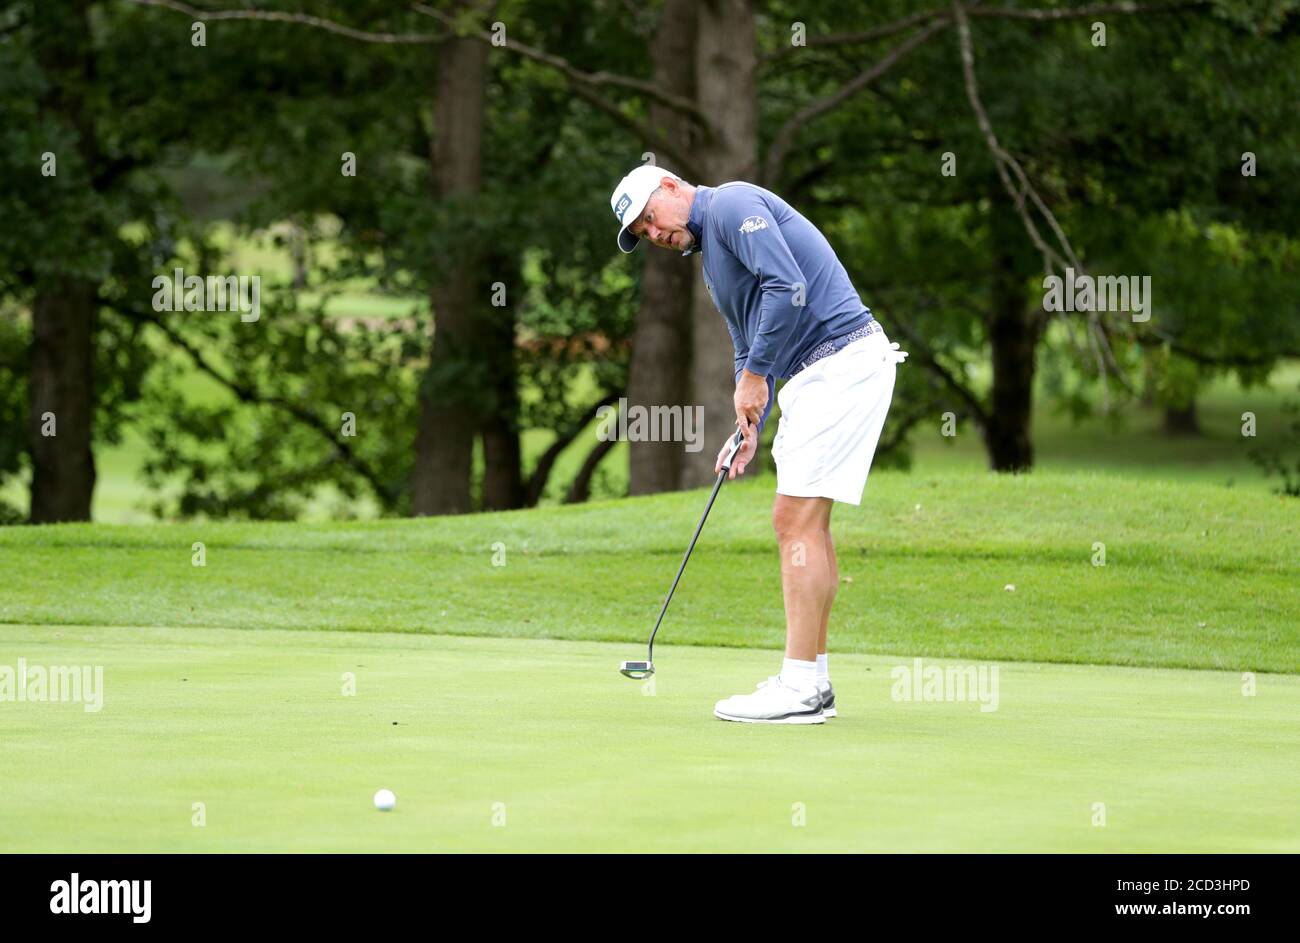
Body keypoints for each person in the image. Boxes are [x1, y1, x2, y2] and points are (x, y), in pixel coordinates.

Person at [610, 164, 907, 725]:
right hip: (823, 373)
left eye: (649, 218)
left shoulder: (729, 205)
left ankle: (798, 688)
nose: (652, 234)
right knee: (807, 523)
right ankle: (811, 681)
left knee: (793, 521)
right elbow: (750, 350)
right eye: (642, 234)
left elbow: (788, 287)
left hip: (837, 363)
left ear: (671, 187)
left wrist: (755, 377)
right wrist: (749, 426)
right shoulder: (712, 259)